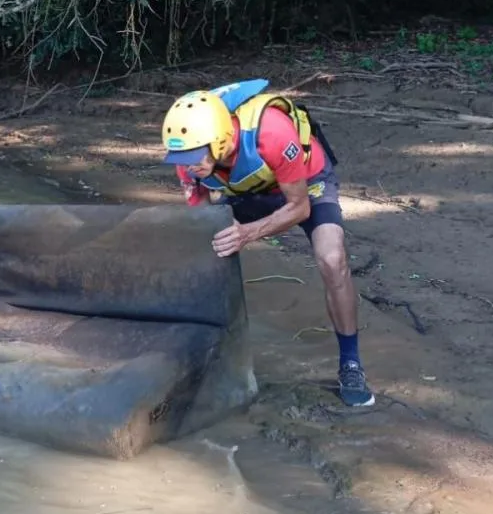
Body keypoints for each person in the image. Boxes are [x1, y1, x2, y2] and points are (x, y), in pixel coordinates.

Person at [160, 78, 374, 407]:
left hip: (306, 185)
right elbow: (200, 219)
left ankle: (351, 363)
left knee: (332, 259)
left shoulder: (272, 133)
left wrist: (247, 233)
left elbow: (299, 208)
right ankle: (205, 355)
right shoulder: (188, 160)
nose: (188, 166)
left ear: (218, 140)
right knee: (204, 251)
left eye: (194, 156)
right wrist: (218, 230)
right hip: (248, 188)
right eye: (181, 158)